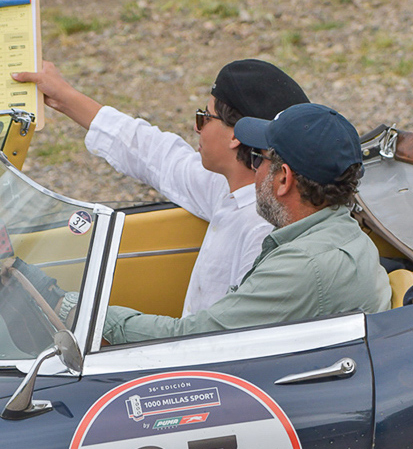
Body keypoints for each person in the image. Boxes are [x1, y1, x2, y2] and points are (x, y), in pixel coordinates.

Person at [11, 58, 310, 316]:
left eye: (204, 117)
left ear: (236, 136)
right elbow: (155, 154)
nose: (196, 127)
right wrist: (64, 97)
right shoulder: (230, 187)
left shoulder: (263, 231)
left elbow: (231, 333)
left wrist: (72, 310)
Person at [100, 103, 392, 344]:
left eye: (257, 159)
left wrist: (91, 316)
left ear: (283, 178)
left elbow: (192, 340)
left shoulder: (302, 266)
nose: (254, 172)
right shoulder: (341, 232)